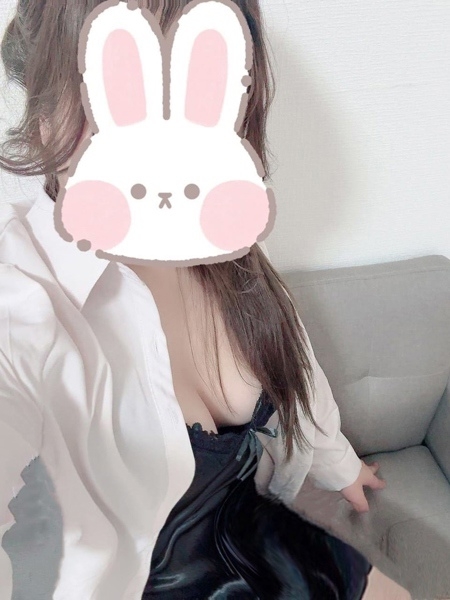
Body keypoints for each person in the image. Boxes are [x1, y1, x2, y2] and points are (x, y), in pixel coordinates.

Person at [0, 0, 412, 598]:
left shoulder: (224, 245)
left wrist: (339, 466)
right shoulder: (22, 302)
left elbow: (297, 369)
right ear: (46, 114)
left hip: (260, 534)